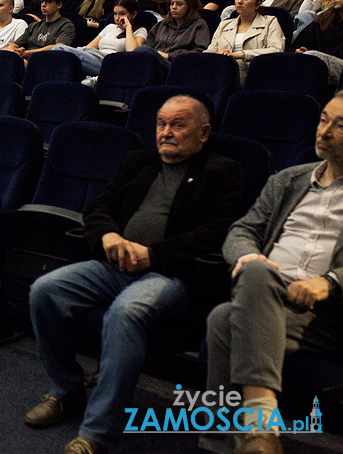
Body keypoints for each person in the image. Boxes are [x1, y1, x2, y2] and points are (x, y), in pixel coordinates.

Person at [26, 95, 243, 454]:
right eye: (161, 123)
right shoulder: (137, 162)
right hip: (114, 266)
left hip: (171, 275)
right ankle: (65, 390)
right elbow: (99, 207)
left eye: (178, 124)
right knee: (45, 290)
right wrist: (109, 234)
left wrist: (153, 255)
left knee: (126, 312)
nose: (166, 132)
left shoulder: (223, 171)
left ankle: (96, 433)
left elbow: (217, 232)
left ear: (204, 132)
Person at [200, 93, 343, 454]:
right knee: (255, 274)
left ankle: (226, 440)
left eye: (339, 125)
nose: (324, 131)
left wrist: (329, 282)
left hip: (326, 313)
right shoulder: (288, 180)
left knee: (223, 320)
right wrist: (249, 257)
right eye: (323, 119)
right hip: (268, 290)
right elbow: (242, 232)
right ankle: (257, 434)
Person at [207, 0, 286, 84]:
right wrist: (219, 55)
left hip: (254, 72)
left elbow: (277, 50)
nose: (239, 1)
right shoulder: (224, 24)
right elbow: (210, 51)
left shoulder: (270, 22)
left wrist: (242, 55)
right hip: (221, 68)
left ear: (257, 4)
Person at [52, 0, 148, 76]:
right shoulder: (110, 27)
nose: (117, 18)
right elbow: (88, 48)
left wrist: (128, 27)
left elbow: (133, 54)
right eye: (115, 14)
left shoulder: (140, 31)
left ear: (133, 14)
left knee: (59, 49)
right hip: (94, 58)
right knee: (60, 54)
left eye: (122, 14)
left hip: (111, 66)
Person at [136, 0, 212, 67]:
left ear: (190, 6)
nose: (174, 7)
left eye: (179, 4)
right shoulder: (163, 24)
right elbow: (149, 44)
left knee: (142, 50)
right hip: (155, 64)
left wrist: (169, 55)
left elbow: (200, 51)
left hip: (178, 67)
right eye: (172, 4)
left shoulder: (199, 25)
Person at [7, 0, 76, 61]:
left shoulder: (66, 25)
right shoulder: (34, 26)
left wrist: (28, 53)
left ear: (59, 5)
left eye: (48, 2)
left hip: (48, 62)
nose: (43, 5)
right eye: (42, 1)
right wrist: (13, 51)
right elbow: (14, 44)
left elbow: (60, 47)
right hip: (28, 61)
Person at [294, 0, 343, 85]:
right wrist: (298, 50)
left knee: (312, 57)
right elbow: (299, 42)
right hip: (325, 68)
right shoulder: (324, 19)